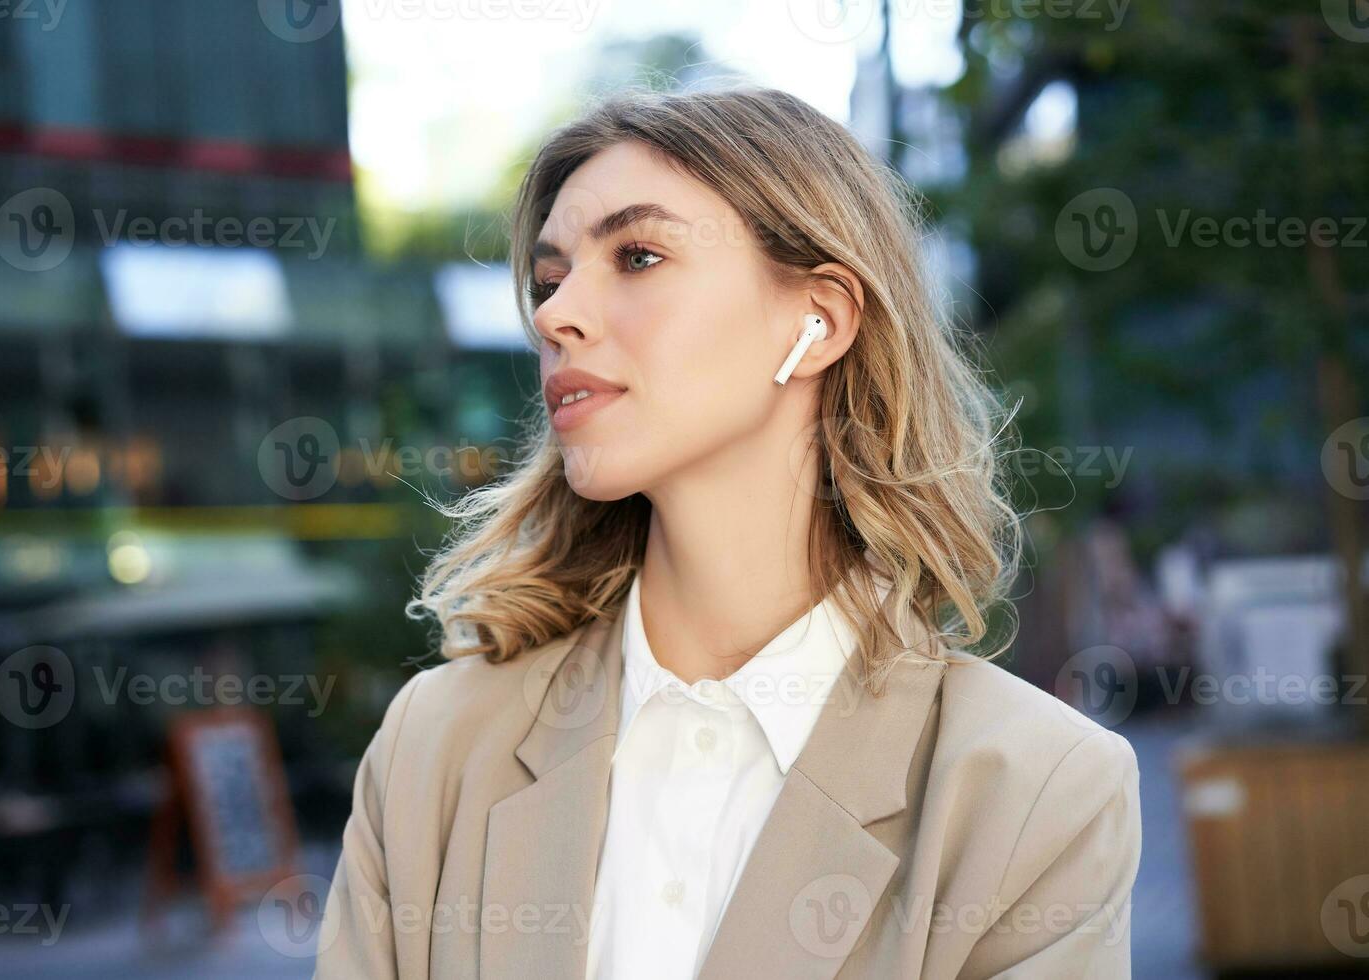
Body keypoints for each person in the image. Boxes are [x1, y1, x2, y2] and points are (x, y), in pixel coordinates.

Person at [314, 84, 1141, 980]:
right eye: (550, 281)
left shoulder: (1036, 790)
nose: (554, 316)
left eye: (635, 256)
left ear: (819, 318)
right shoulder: (433, 750)